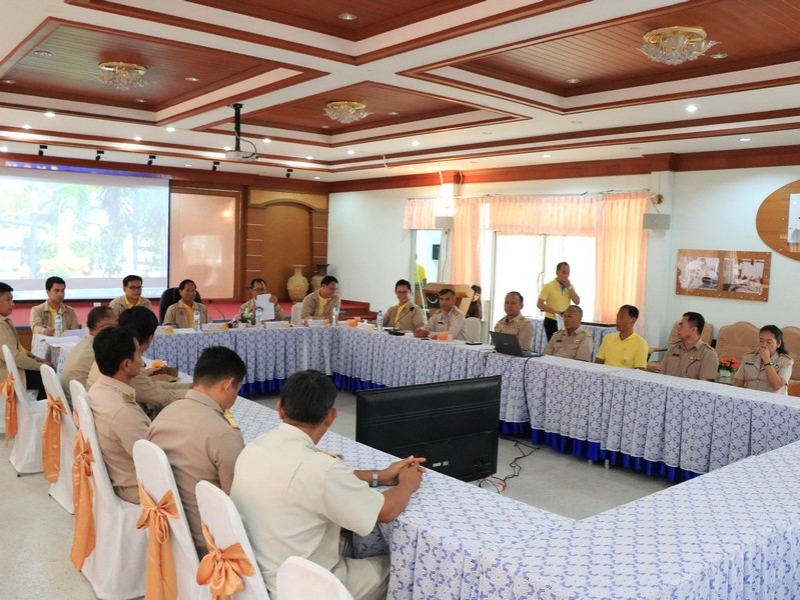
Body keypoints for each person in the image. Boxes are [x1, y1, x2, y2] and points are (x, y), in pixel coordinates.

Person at [231, 370, 425, 600]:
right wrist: (408, 483)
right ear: (331, 417)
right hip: (303, 587)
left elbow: (319, 480)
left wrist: (379, 476)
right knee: (406, 570)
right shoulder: (321, 469)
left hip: (256, 573)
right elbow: (386, 511)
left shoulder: (256, 446)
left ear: (280, 408)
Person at [147, 346, 246, 557]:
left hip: (168, 528)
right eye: (237, 390)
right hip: (209, 542)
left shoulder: (162, 417)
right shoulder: (223, 434)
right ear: (227, 385)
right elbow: (238, 500)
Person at [86, 325, 149, 504]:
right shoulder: (123, 412)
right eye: (138, 353)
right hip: (139, 487)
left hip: (121, 474)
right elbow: (154, 461)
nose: (142, 360)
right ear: (126, 364)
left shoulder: (98, 389)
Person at [87, 306, 190, 410]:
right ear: (149, 338)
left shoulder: (111, 348)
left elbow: (152, 387)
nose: (140, 359)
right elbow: (162, 398)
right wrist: (197, 392)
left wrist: (191, 387)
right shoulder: (128, 362)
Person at [0, 282, 49, 395]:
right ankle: (44, 407)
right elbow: (14, 357)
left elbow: (20, 351)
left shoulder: (4, 321)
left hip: (12, 369)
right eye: (8, 300)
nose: (12, 304)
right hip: (6, 375)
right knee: (48, 379)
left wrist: (37, 360)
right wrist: (40, 366)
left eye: (12, 300)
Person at [60, 306, 118, 403]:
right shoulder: (100, 348)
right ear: (105, 327)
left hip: (72, 400)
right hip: (82, 404)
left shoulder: (84, 342)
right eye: (117, 325)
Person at [734, 325, 794, 394]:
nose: (764, 345)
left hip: (772, 398)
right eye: (761, 341)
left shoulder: (786, 361)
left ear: (778, 343)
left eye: (769, 342)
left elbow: (777, 385)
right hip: (750, 397)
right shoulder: (748, 357)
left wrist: (767, 360)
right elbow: (738, 383)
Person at [659, 312, 718, 381]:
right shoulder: (672, 349)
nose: (678, 328)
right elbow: (660, 376)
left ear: (693, 330)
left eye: (681, 325)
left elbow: (705, 384)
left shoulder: (708, 354)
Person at [595, 304, 648, 369]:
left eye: (621, 317)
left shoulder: (641, 343)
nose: (618, 320)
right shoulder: (608, 338)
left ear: (633, 320)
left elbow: (639, 370)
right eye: (617, 317)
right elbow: (598, 362)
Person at [537, 262, 580, 341]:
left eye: (568, 273)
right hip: (551, 320)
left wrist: (569, 287)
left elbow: (577, 301)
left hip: (565, 321)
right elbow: (540, 304)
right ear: (557, 272)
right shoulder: (548, 286)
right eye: (563, 272)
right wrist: (556, 312)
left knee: (565, 343)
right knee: (554, 344)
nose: (565, 275)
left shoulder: (570, 287)